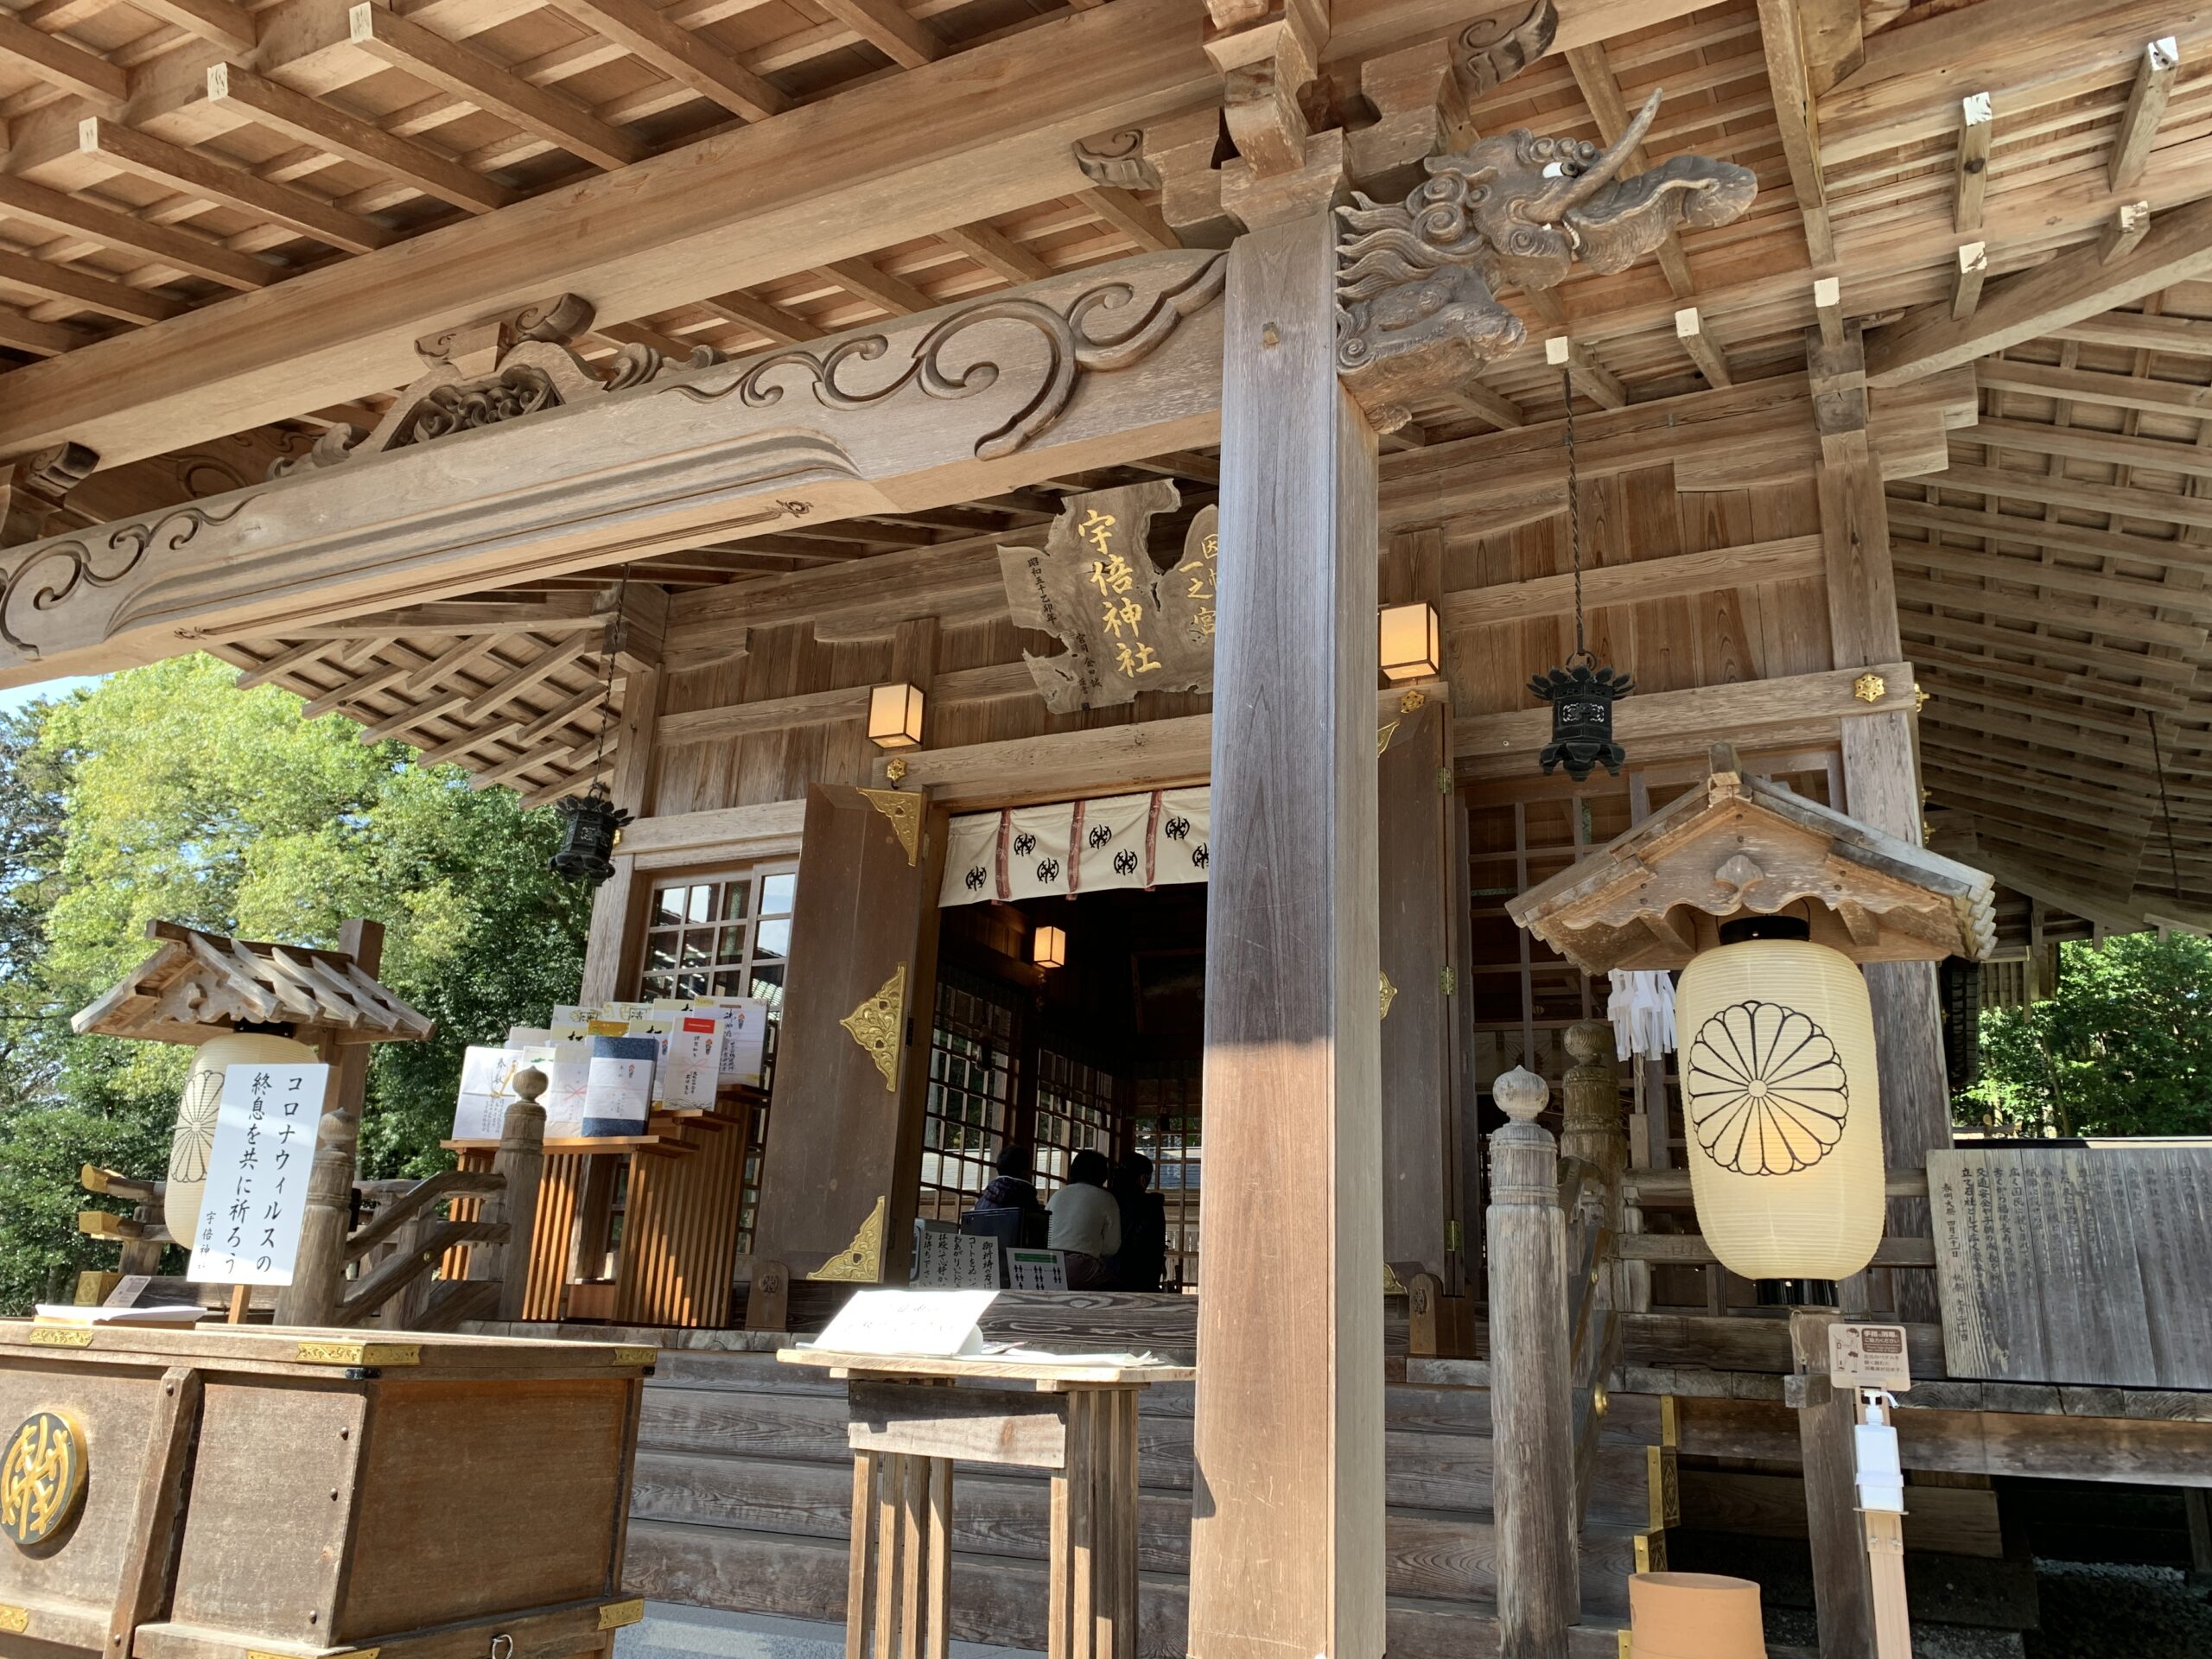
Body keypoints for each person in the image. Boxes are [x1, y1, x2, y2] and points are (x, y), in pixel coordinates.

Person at [1046, 1147, 1121, 1288]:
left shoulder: (1057, 1195)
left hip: (1047, 1264)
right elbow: (1112, 1247)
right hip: (1082, 1267)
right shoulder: (1106, 1198)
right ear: (1103, 1174)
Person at [1105, 1150, 1168, 1294]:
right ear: (1143, 1179)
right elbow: (1155, 1249)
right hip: (1141, 1281)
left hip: (1104, 1277)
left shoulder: (1106, 1199)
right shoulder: (1152, 1205)